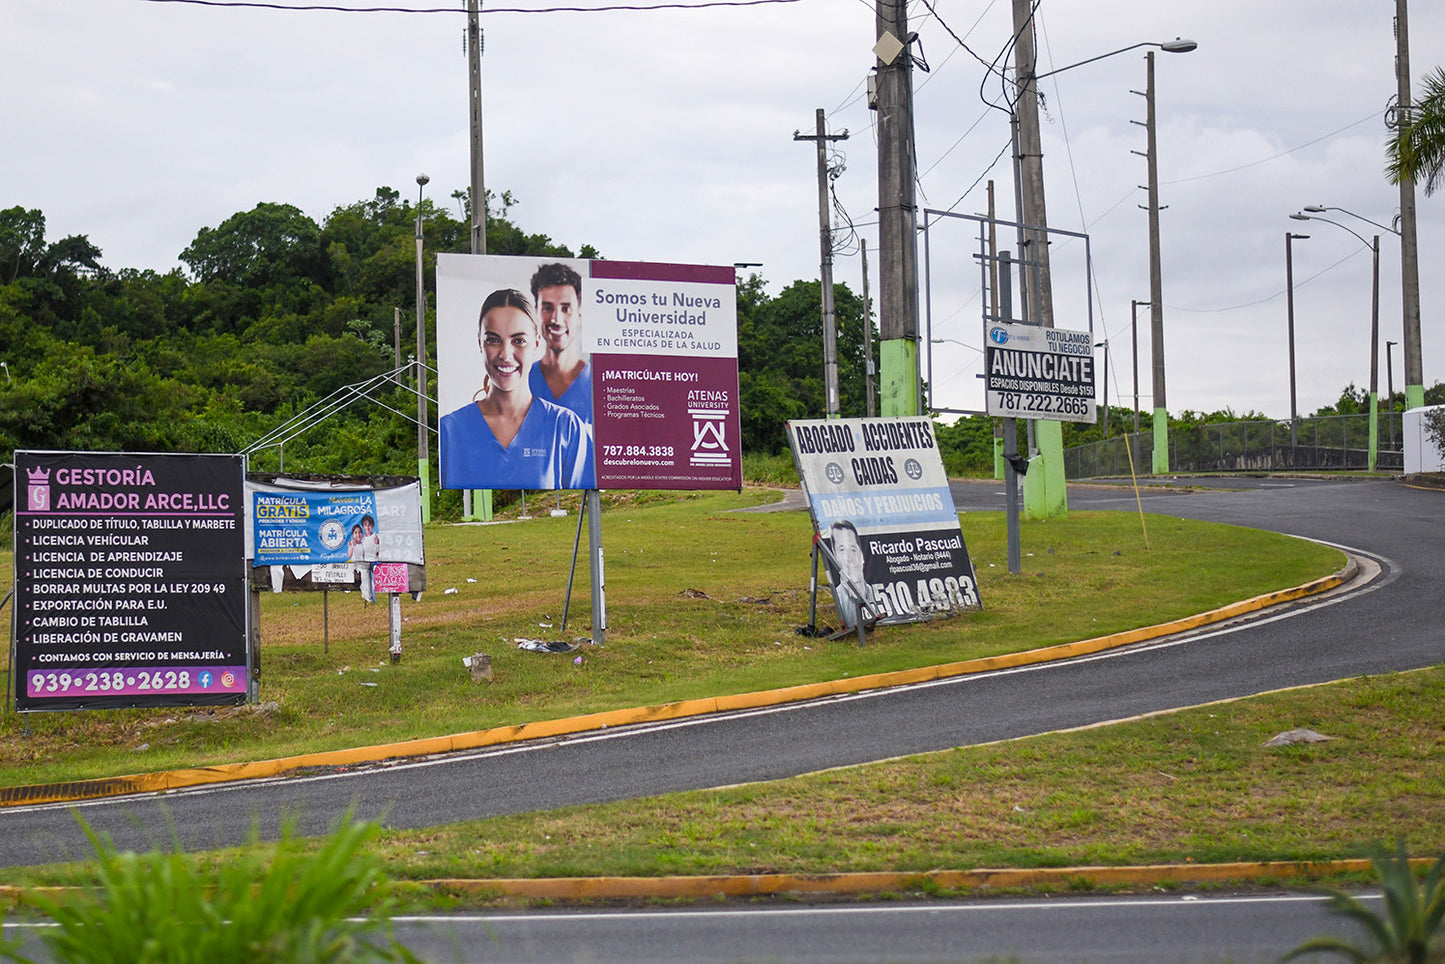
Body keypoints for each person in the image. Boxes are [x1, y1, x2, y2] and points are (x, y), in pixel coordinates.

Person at [440, 288, 594, 490]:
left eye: (519, 341)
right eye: (493, 340)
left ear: (536, 343)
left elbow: (581, 502)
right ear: (480, 342)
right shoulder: (449, 431)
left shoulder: (565, 428)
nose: (505, 354)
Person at [527, 262, 591, 423]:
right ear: (536, 312)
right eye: (547, 308)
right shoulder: (522, 380)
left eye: (566, 309)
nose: (556, 319)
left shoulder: (596, 384)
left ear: (579, 315)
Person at [826, 519, 874, 629]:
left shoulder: (880, 595)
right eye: (842, 550)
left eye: (853, 550)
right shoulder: (838, 599)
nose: (850, 558)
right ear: (835, 557)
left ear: (861, 555)